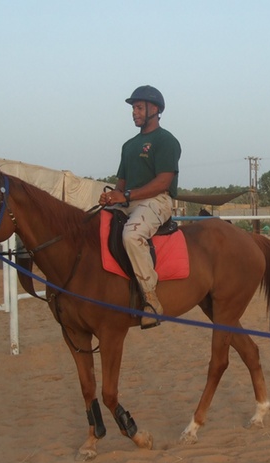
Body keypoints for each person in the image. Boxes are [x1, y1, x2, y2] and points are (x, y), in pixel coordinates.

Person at [99, 85, 181, 328]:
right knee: (97, 224)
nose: (134, 112)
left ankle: (151, 300)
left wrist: (125, 195)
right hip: (129, 200)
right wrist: (111, 196)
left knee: (132, 235)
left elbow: (163, 181)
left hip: (158, 200)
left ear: (154, 109)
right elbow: (121, 182)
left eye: (138, 107)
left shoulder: (166, 140)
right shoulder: (128, 145)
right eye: (133, 108)